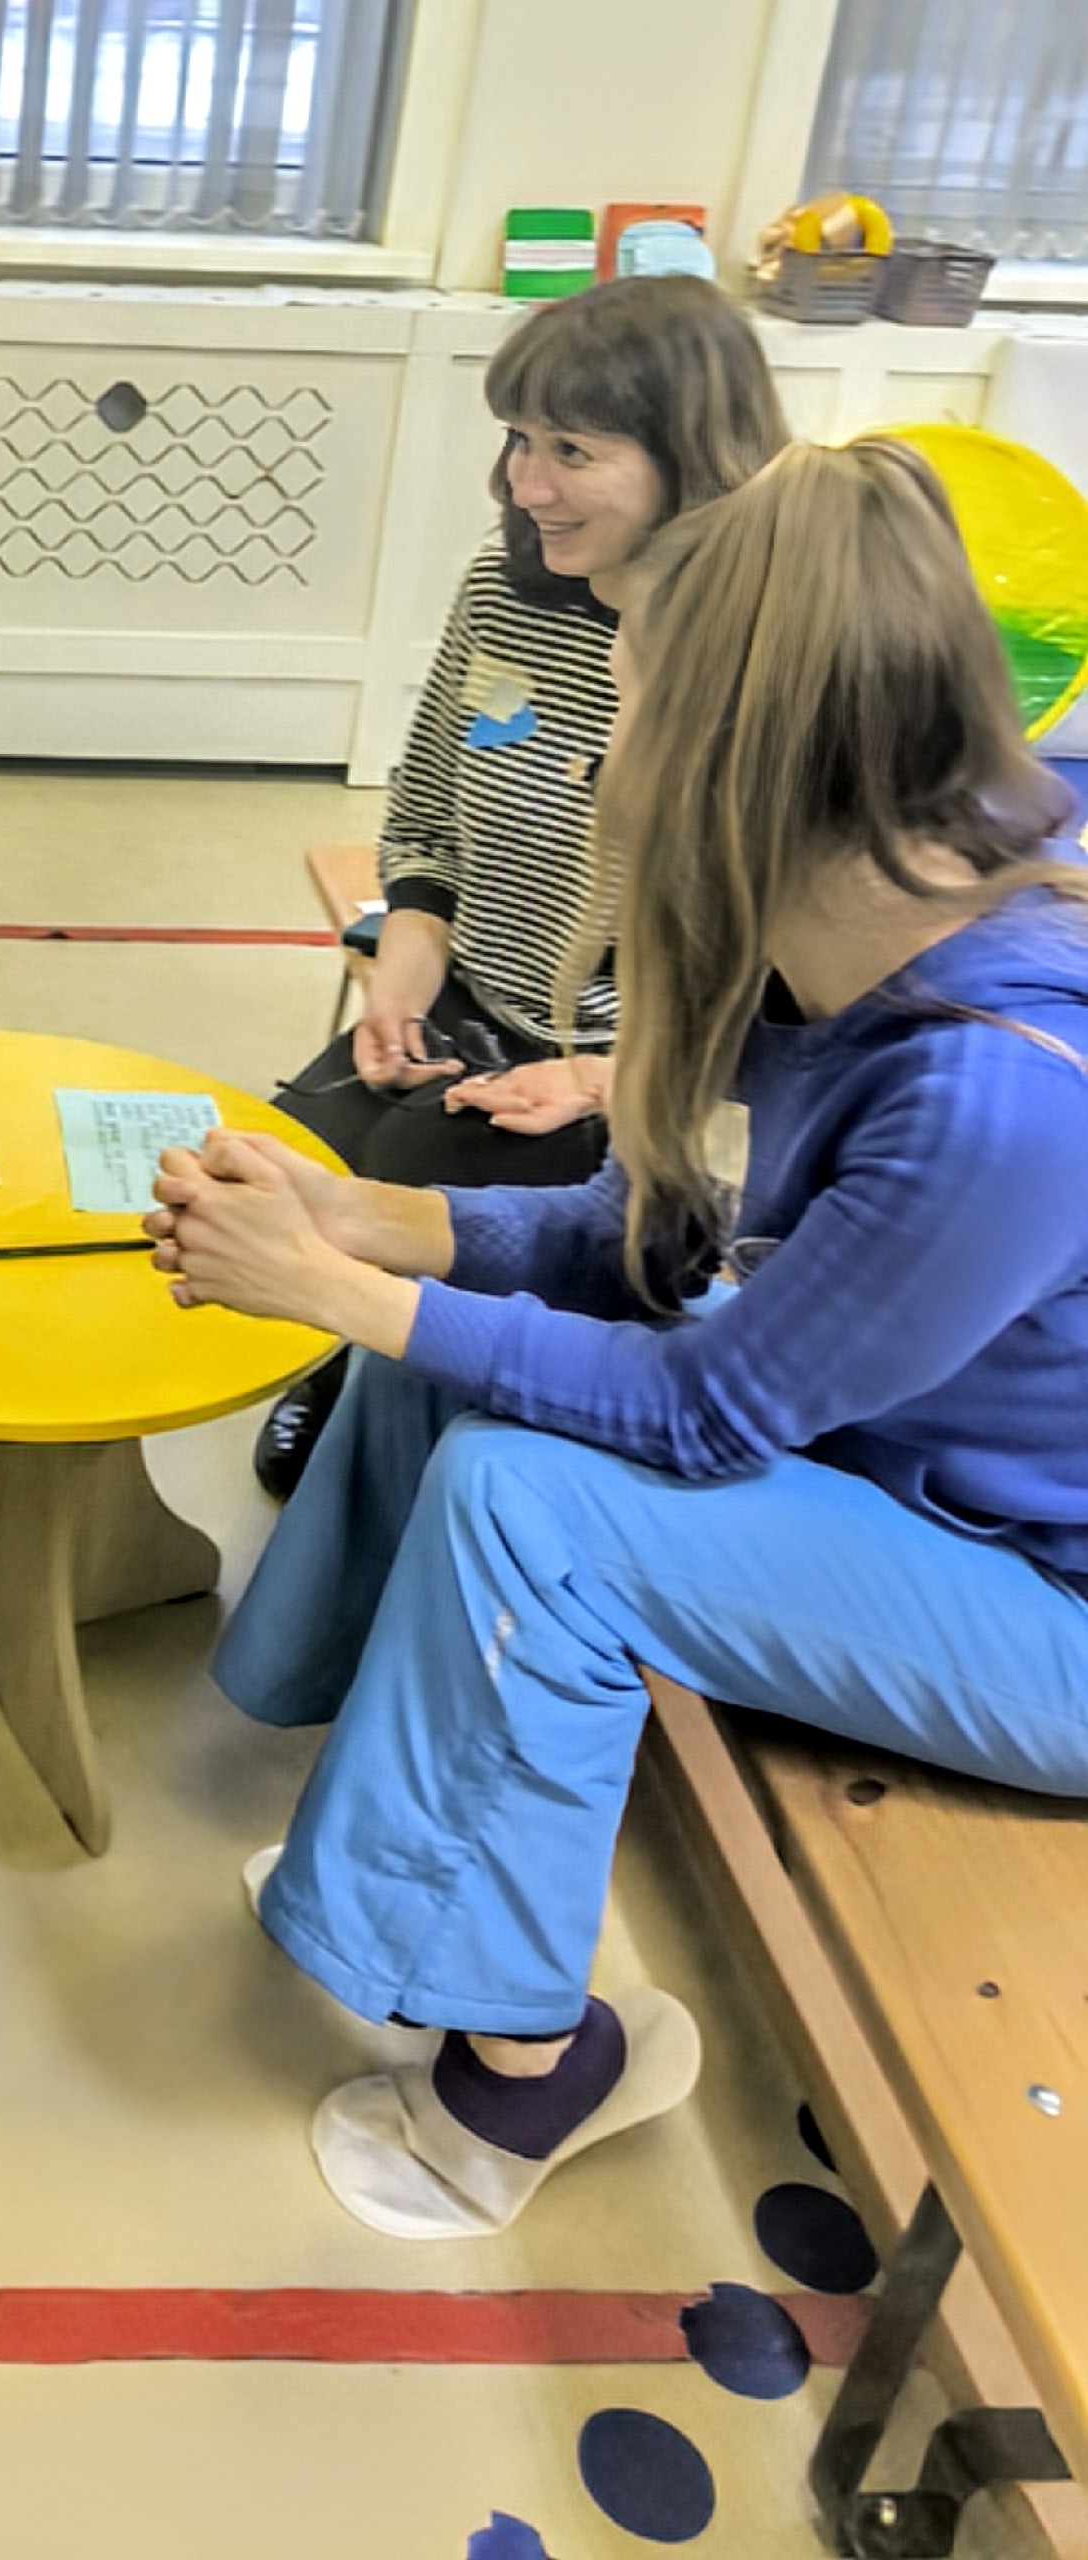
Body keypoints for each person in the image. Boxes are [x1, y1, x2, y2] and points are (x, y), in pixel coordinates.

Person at [151, 441, 1088, 2240]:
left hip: (1046, 1603)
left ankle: (523, 2073)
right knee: (457, 1348)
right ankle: (400, 1819)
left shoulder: (997, 1092)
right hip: (897, 1441)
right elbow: (654, 1242)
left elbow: (708, 1408)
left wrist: (339, 1294)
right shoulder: (858, 907)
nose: (599, 756)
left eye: (633, 706)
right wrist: (369, 1223)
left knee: (529, 1505)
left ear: (743, 759)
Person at [258, 277, 788, 1497]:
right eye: (517, 440)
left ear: (691, 461)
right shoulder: (506, 589)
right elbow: (427, 811)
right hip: (479, 1009)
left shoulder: (750, 658)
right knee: (288, 1148)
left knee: (400, 1178)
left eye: (571, 451)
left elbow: (775, 994)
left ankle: (370, 1390)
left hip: (638, 1074)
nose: (524, 484)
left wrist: (603, 1075)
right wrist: (404, 972)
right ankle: (354, 1370)